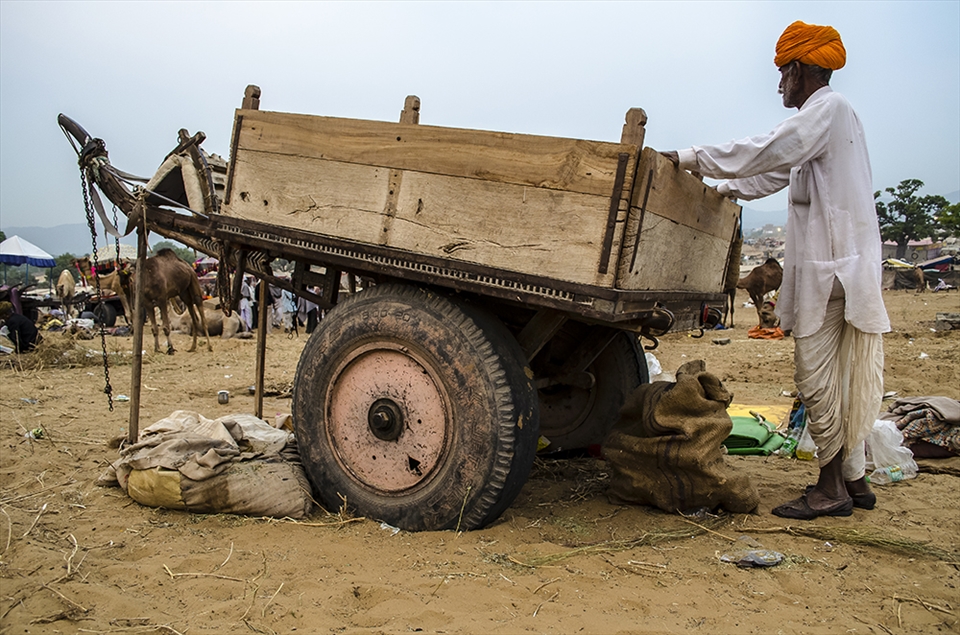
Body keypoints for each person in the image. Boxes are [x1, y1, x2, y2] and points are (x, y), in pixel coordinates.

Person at [662, 21, 890, 520]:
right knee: (840, 377)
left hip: (832, 273)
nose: (779, 84)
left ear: (799, 69)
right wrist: (723, 191)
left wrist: (689, 159)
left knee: (818, 379)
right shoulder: (829, 121)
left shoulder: (825, 110)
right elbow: (772, 172)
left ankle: (831, 489)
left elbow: (769, 149)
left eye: (782, 73)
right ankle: (854, 479)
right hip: (839, 269)